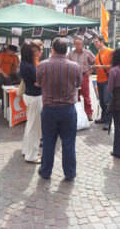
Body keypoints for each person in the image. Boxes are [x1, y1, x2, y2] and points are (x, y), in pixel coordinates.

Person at [37, 37, 81, 181]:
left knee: (49, 142)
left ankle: (45, 171)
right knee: (68, 142)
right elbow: (77, 85)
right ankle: (69, 173)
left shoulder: (42, 65)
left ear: (53, 49)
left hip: (49, 109)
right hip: (67, 110)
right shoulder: (75, 66)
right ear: (66, 50)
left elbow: (39, 83)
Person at [20, 42, 42, 164]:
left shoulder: (26, 64)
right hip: (34, 96)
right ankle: (31, 155)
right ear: (30, 52)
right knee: (34, 127)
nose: (38, 52)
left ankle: (27, 150)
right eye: (35, 50)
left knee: (30, 125)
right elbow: (38, 82)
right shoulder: (28, 66)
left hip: (30, 95)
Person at [67, 35, 96, 121]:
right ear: (74, 44)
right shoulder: (70, 54)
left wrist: (90, 71)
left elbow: (95, 62)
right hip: (74, 77)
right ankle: (78, 113)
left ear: (82, 44)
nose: (78, 45)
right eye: (76, 44)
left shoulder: (88, 52)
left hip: (84, 76)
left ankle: (89, 113)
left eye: (80, 43)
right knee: (76, 96)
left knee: (86, 95)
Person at [92, 35, 113, 130]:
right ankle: (103, 118)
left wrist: (102, 67)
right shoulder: (98, 54)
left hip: (107, 80)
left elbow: (114, 65)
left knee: (107, 101)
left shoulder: (110, 51)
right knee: (102, 101)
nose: (95, 44)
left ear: (102, 42)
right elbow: (96, 66)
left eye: (96, 42)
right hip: (99, 80)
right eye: (94, 42)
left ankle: (108, 122)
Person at [0, 45, 20, 111]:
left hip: (8, 75)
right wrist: (3, 73)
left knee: (7, 90)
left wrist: (17, 65)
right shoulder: (2, 55)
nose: (13, 54)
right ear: (8, 50)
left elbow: (16, 65)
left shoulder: (14, 56)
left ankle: (5, 105)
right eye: (12, 52)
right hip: (0, 74)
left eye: (14, 52)